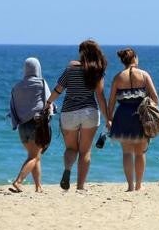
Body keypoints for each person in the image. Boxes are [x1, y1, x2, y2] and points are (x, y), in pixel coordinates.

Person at [45, 39, 109, 191]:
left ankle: (67, 170)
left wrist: (48, 103)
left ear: (82, 53)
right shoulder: (97, 71)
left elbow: (58, 90)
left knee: (71, 148)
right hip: (90, 113)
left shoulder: (70, 70)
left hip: (69, 113)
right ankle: (80, 186)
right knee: (85, 150)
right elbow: (100, 97)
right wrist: (108, 117)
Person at [107, 48, 159, 191]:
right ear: (135, 58)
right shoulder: (144, 75)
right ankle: (138, 185)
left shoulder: (118, 77)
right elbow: (155, 97)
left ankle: (130, 186)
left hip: (122, 115)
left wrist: (109, 119)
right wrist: (151, 111)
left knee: (127, 152)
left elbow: (111, 102)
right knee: (140, 152)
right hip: (140, 115)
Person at [8, 57, 53, 193]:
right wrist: (50, 115)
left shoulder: (16, 87)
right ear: (37, 69)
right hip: (37, 125)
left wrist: (16, 122)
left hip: (22, 127)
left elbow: (12, 107)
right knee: (34, 156)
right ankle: (18, 181)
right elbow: (48, 102)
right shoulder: (41, 83)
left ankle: (38, 187)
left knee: (34, 155)